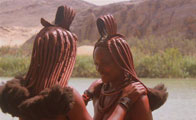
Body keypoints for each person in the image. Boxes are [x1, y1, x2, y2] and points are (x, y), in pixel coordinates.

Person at [0, 5, 149, 120]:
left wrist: (88, 95)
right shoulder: (66, 96)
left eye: (105, 63)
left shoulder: (23, 93)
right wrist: (125, 101)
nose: (99, 69)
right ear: (64, 58)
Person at [82, 14, 168, 120]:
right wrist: (87, 94)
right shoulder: (99, 91)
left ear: (121, 63)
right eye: (96, 64)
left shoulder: (137, 97)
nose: (99, 69)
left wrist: (125, 101)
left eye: (105, 64)